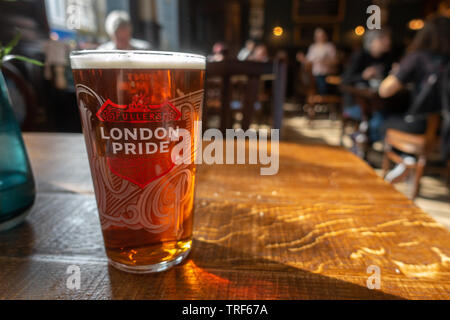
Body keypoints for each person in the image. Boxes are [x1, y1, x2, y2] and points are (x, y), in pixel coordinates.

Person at [378, 15, 450, 181]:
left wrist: (400, 75)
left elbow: (385, 90)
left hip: (419, 124)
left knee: (382, 124)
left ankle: (405, 158)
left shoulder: (418, 57)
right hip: (444, 130)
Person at [341, 29, 395, 147]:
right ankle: (364, 142)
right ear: (373, 42)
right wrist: (363, 76)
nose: (388, 42)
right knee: (379, 119)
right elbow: (345, 80)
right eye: (383, 39)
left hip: (380, 102)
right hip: (355, 104)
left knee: (390, 115)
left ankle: (363, 140)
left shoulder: (388, 57)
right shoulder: (359, 56)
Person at [297, 28, 337, 94]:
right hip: (313, 75)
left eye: (321, 36)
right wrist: (302, 58)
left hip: (326, 74)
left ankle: (322, 101)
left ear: (325, 36)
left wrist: (324, 61)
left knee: (322, 87)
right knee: (306, 82)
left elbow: (335, 62)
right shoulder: (313, 47)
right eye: (317, 36)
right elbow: (308, 61)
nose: (319, 38)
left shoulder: (329, 46)